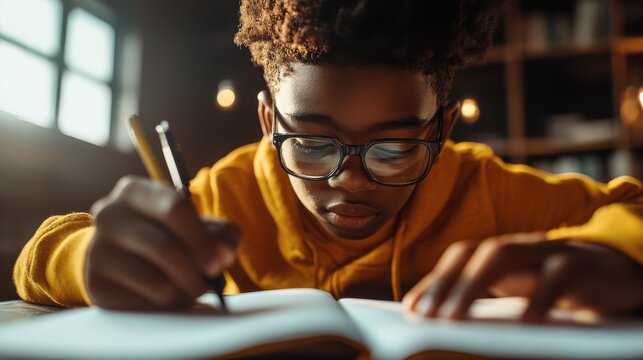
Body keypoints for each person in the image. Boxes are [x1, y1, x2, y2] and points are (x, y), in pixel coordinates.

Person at [14, 0, 643, 321]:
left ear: (444, 129)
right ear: (268, 124)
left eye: (395, 148)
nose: (349, 179)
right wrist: (83, 259)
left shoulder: (487, 191)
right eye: (312, 143)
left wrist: (617, 257)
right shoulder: (226, 196)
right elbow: (40, 256)